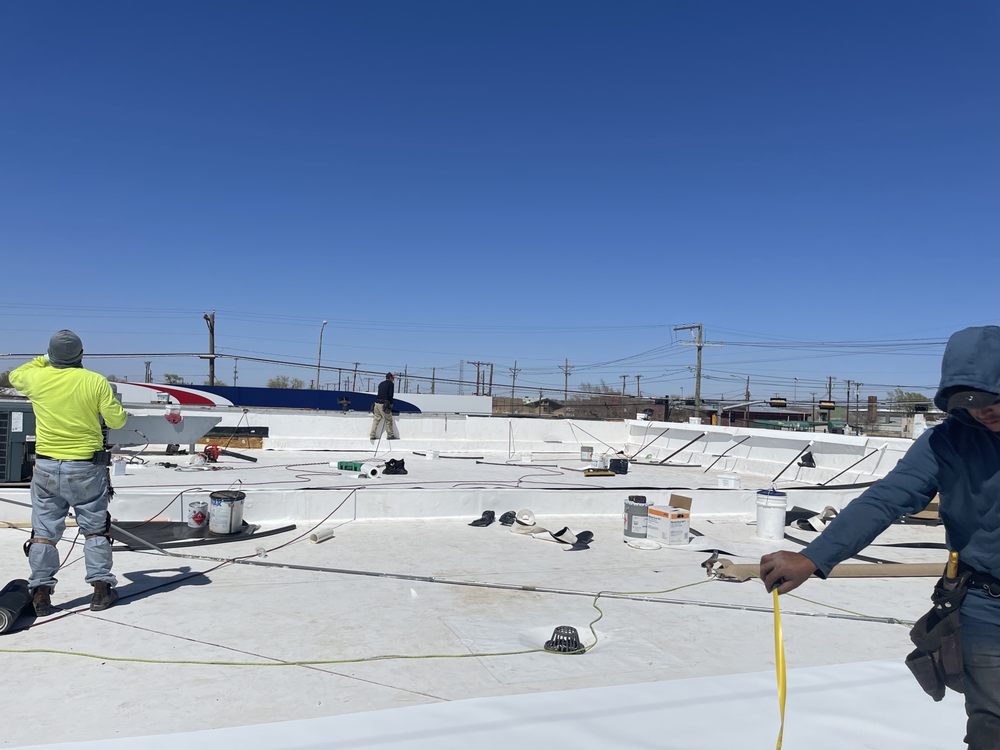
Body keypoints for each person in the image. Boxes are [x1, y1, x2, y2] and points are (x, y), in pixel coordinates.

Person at [760, 325, 1000, 750]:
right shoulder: (945, 443)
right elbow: (886, 499)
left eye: (993, 399)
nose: (984, 412)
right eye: (971, 403)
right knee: (992, 724)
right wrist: (814, 556)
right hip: (985, 601)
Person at [8, 330, 128, 615]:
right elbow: (117, 421)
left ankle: (40, 593)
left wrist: (43, 359)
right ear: (81, 354)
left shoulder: (36, 378)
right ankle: (101, 590)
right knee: (95, 529)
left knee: (43, 533)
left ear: (51, 354)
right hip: (86, 467)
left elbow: (14, 375)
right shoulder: (95, 381)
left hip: (47, 467)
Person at [370, 372, 399, 441]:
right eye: (393, 378)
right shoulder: (391, 384)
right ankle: (390, 435)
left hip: (376, 404)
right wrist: (390, 404)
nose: (393, 379)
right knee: (388, 420)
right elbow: (390, 395)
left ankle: (372, 435)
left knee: (376, 420)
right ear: (390, 377)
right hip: (384, 405)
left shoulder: (381, 383)